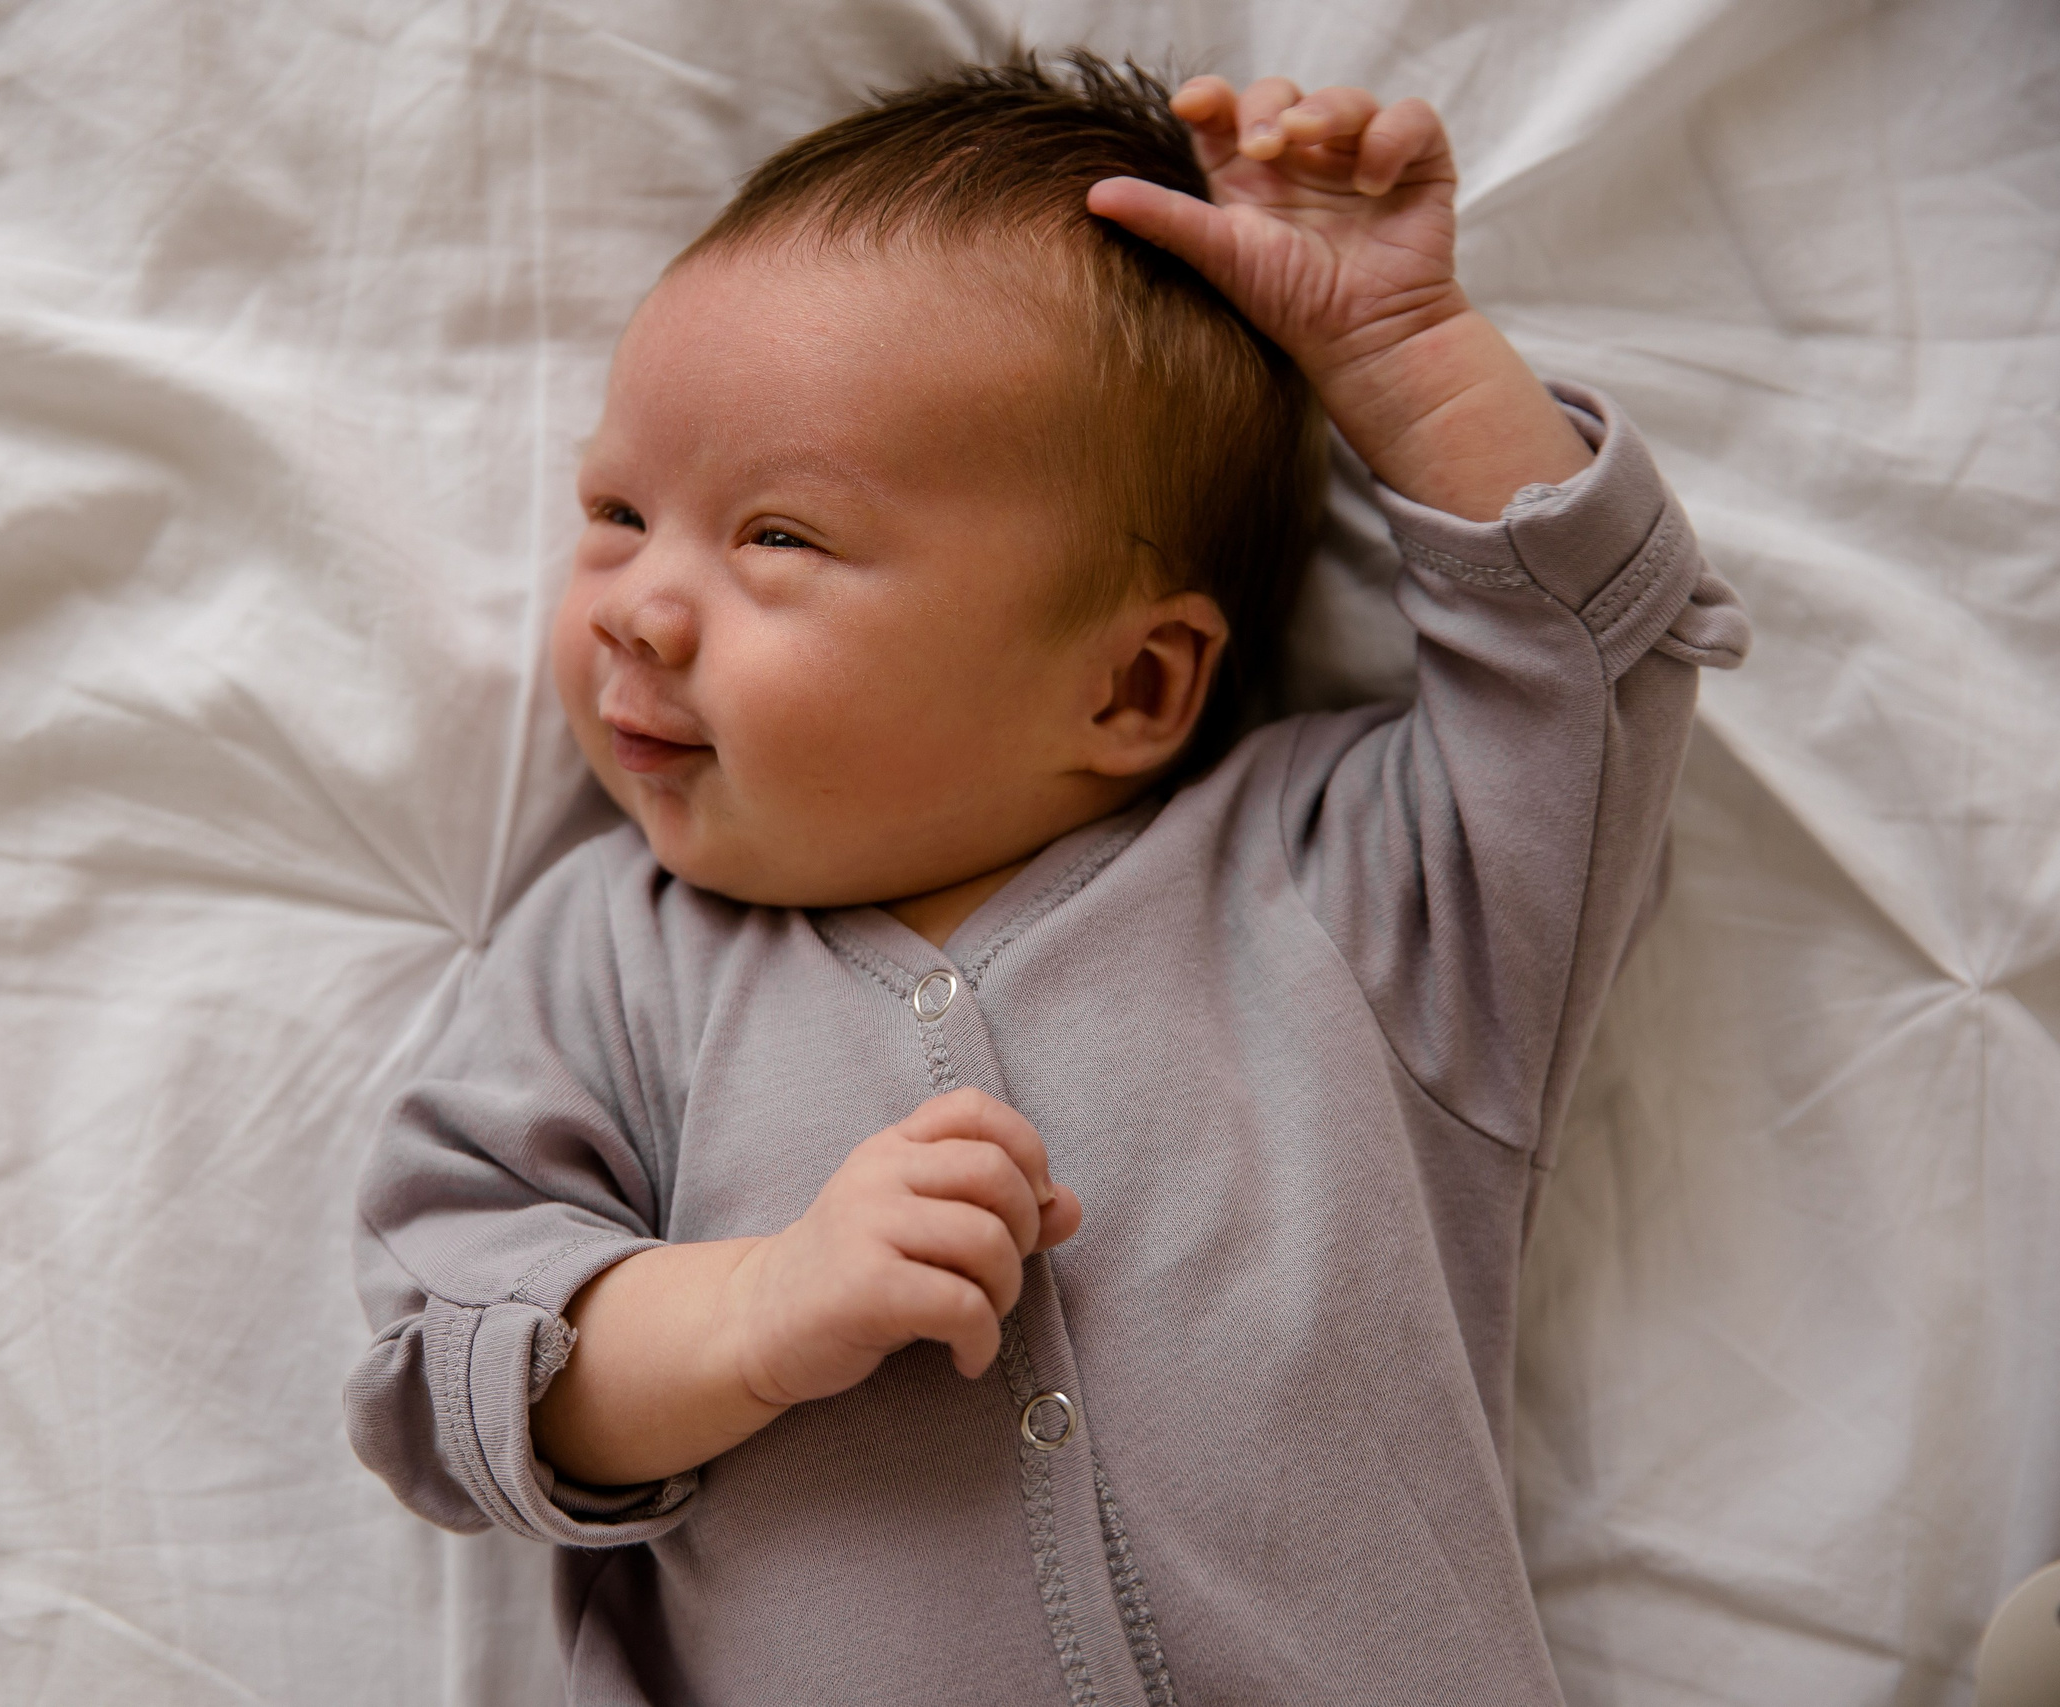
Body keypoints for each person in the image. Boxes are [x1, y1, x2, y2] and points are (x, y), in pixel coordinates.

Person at [345, 52, 1749, 1705]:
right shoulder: (608, 957)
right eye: (616, 509)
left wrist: (1403, 352)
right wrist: (749, 1311)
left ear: (1133, 685)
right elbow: (449, 1360)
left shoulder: (1353, 896)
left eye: (778, 535)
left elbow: (1586, 672)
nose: (638, 608)